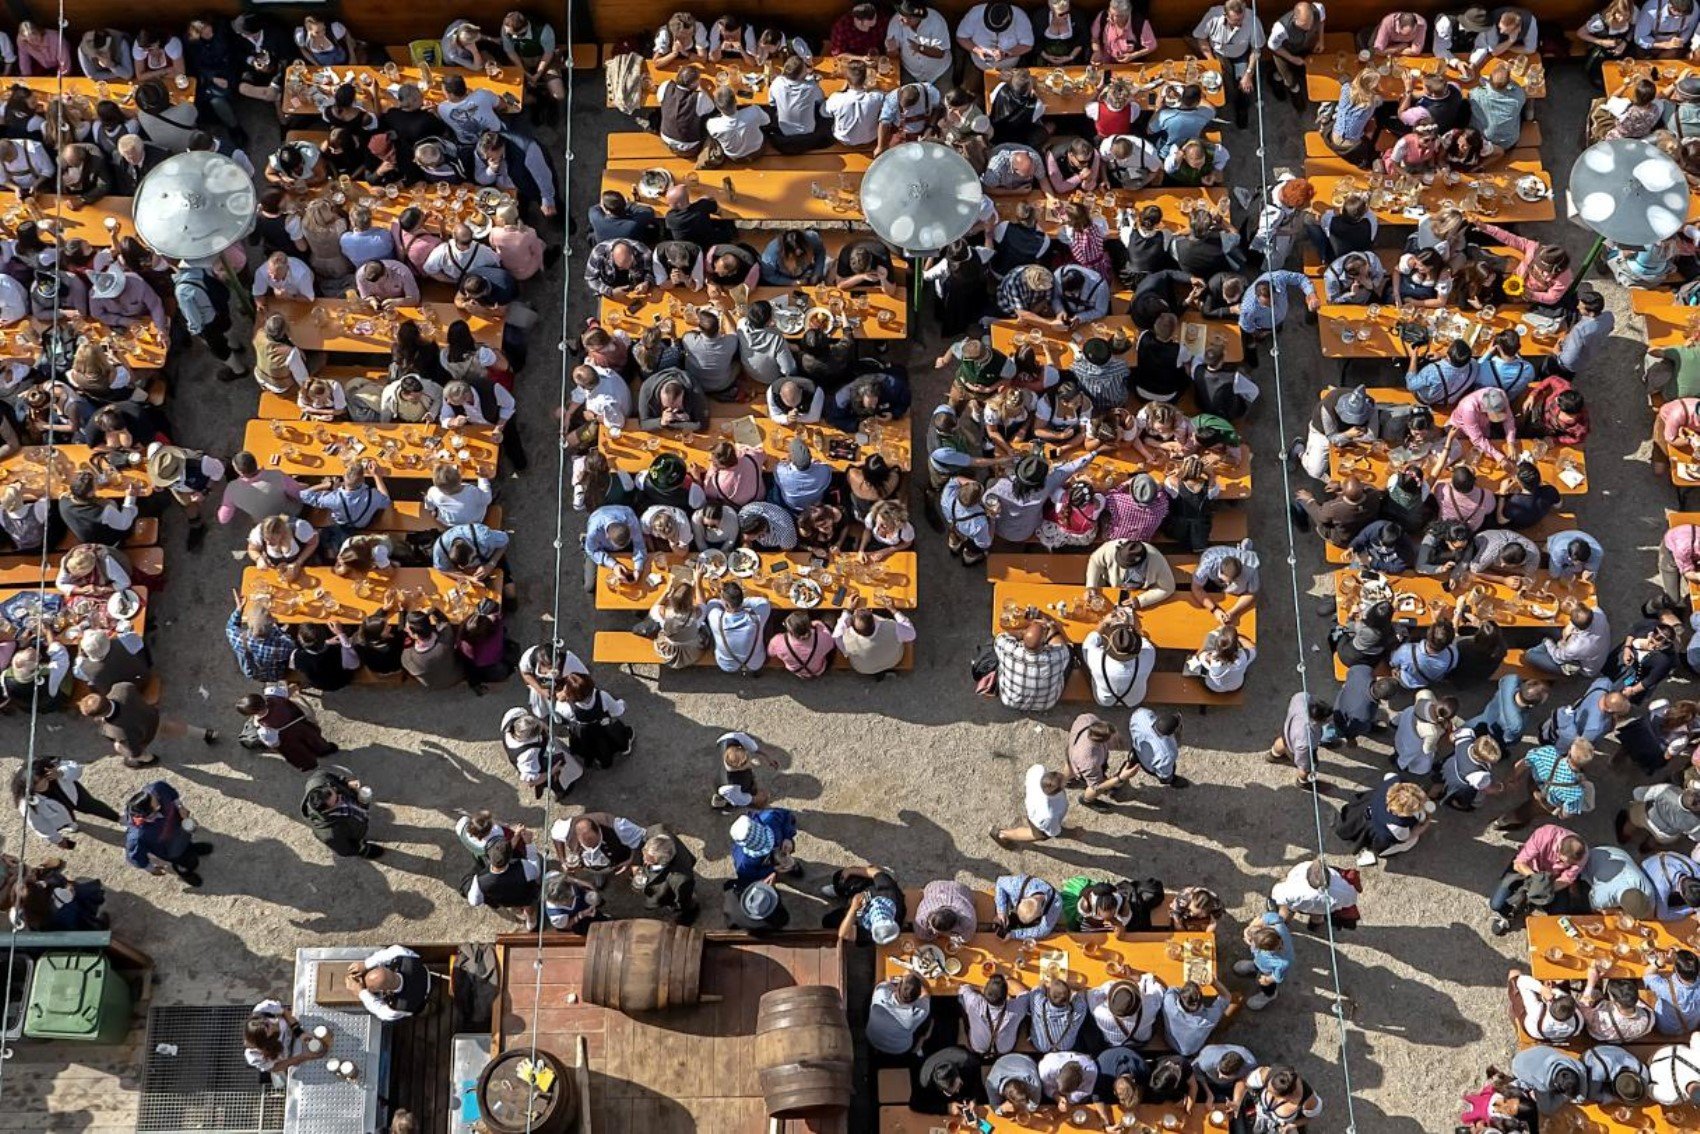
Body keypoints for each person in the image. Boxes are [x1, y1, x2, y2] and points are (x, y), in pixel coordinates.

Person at [80, 685, 215, 769]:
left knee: (119, 747)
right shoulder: (121, 688)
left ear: (97, 715)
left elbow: (134, 748)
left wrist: (135, 755)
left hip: (145, 736)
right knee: (179, 728)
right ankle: (208, 734)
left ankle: (149, 759)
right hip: (152, 716)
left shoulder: (112, 730)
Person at [1488, 823, 1589, 935]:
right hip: (1529, 869)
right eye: (1562, 861)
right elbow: (1519, 863)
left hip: (1554, 879)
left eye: (1569, 864)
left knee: (1559, 912)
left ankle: (1534, 908)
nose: (1565, 865)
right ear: (1558, 849)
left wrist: (1545, 889)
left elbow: (1567, 879)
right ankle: (1507, 915)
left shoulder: (1582, 855)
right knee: (1497, 905)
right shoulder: (1544, 834)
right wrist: (1537, 881)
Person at [124, 780, 211, 887]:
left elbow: (171, 794)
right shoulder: (138, 836)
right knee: (189, 862)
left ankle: (191, 847)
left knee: (188, 845)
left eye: (154, 797)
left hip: (181, 830)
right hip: (171, 850)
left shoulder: (156, 789)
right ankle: (184, 871)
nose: (159, 799)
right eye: (158, 807)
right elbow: (135, 857)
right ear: (149, 815)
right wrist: (151, 869)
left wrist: (180, 807)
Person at [992, 615, 1073, 712]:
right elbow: (1061, 645)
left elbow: (1001, 636)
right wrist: (1050, 626)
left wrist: (1025, 630)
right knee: (1070, 653)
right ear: (1044, 642)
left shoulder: (1008, 650)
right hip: (1046, 705)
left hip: (1010, 701)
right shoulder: (1057, 656)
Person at [300, 768, 383, 859]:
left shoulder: (319, 779)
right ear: (325, 811)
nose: (341, 796)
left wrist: (346, 783)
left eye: (334, 791)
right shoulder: (329, 834)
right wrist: (362, 850)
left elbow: (331, 777)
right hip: (356, 831)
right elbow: (345, 849)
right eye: (337, 801)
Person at [344, 946, 431, 1022]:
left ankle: (428, 1010)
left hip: (418, 1003)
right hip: (425, 976)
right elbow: (390, 952)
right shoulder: (405, 958)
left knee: (421, 1010)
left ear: (384, 991)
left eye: (370, 988)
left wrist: (361, 993)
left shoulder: (396, 1008)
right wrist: (366, 965)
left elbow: (380, 1011)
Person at [993, 763, 1069, 846]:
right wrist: (1071, 833)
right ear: (1056, 792)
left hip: (1033, 804)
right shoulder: (1049, 815)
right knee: (1036, 835)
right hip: (1037, 820)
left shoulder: (1039, 770)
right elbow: (1053, 832)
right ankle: (1002, 834)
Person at [867, 973, 932, 1057]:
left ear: (897, 987)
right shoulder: (921, 1010)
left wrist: (896, 980)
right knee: (929, 1020)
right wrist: (918, 975)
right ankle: (919, 1045)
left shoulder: (881, 992)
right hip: (900, 1048)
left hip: (873, 1039)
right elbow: (928, 992)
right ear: (918, 996)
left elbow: (881, 983)